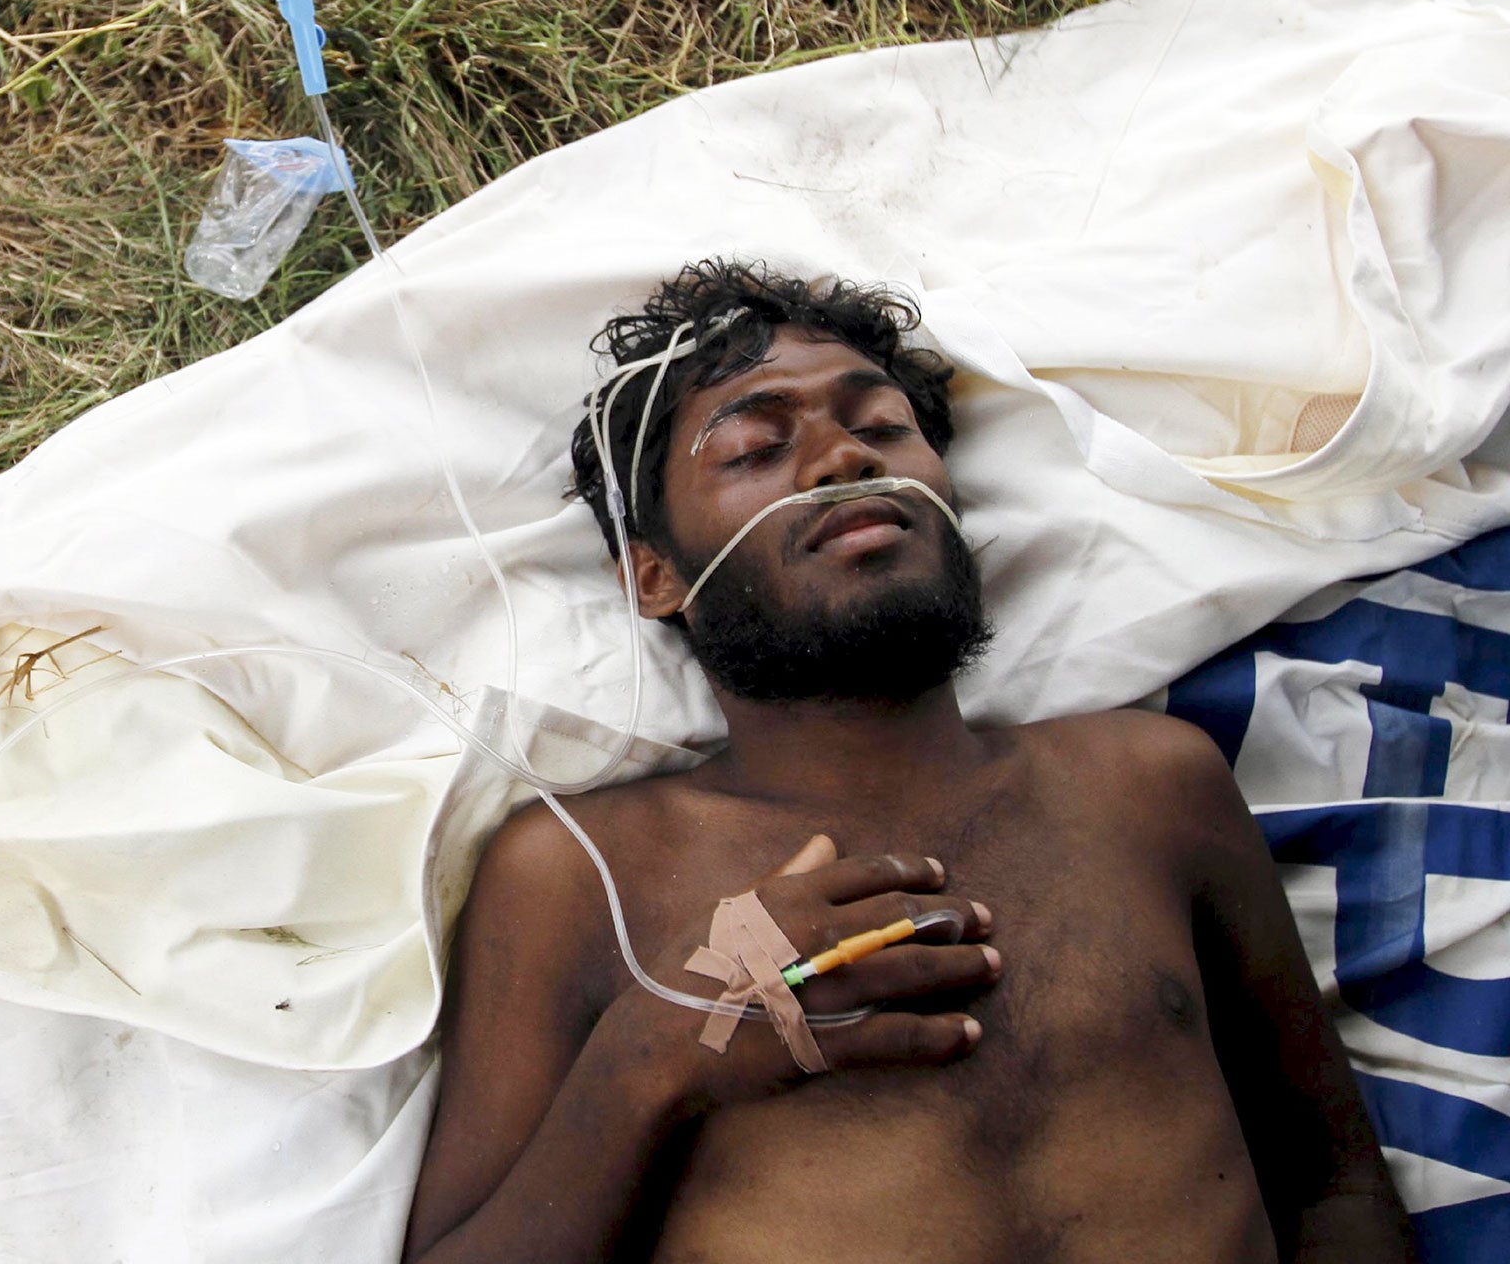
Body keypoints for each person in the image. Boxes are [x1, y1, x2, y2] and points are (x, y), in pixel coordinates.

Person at [402, 260, 1413, 1264]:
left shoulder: (1149, 786)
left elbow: (1331, 1184)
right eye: (756, 445)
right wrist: (656, 1051)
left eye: (882, 428)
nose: (843, 458)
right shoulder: (581, 873)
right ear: (657, 577)